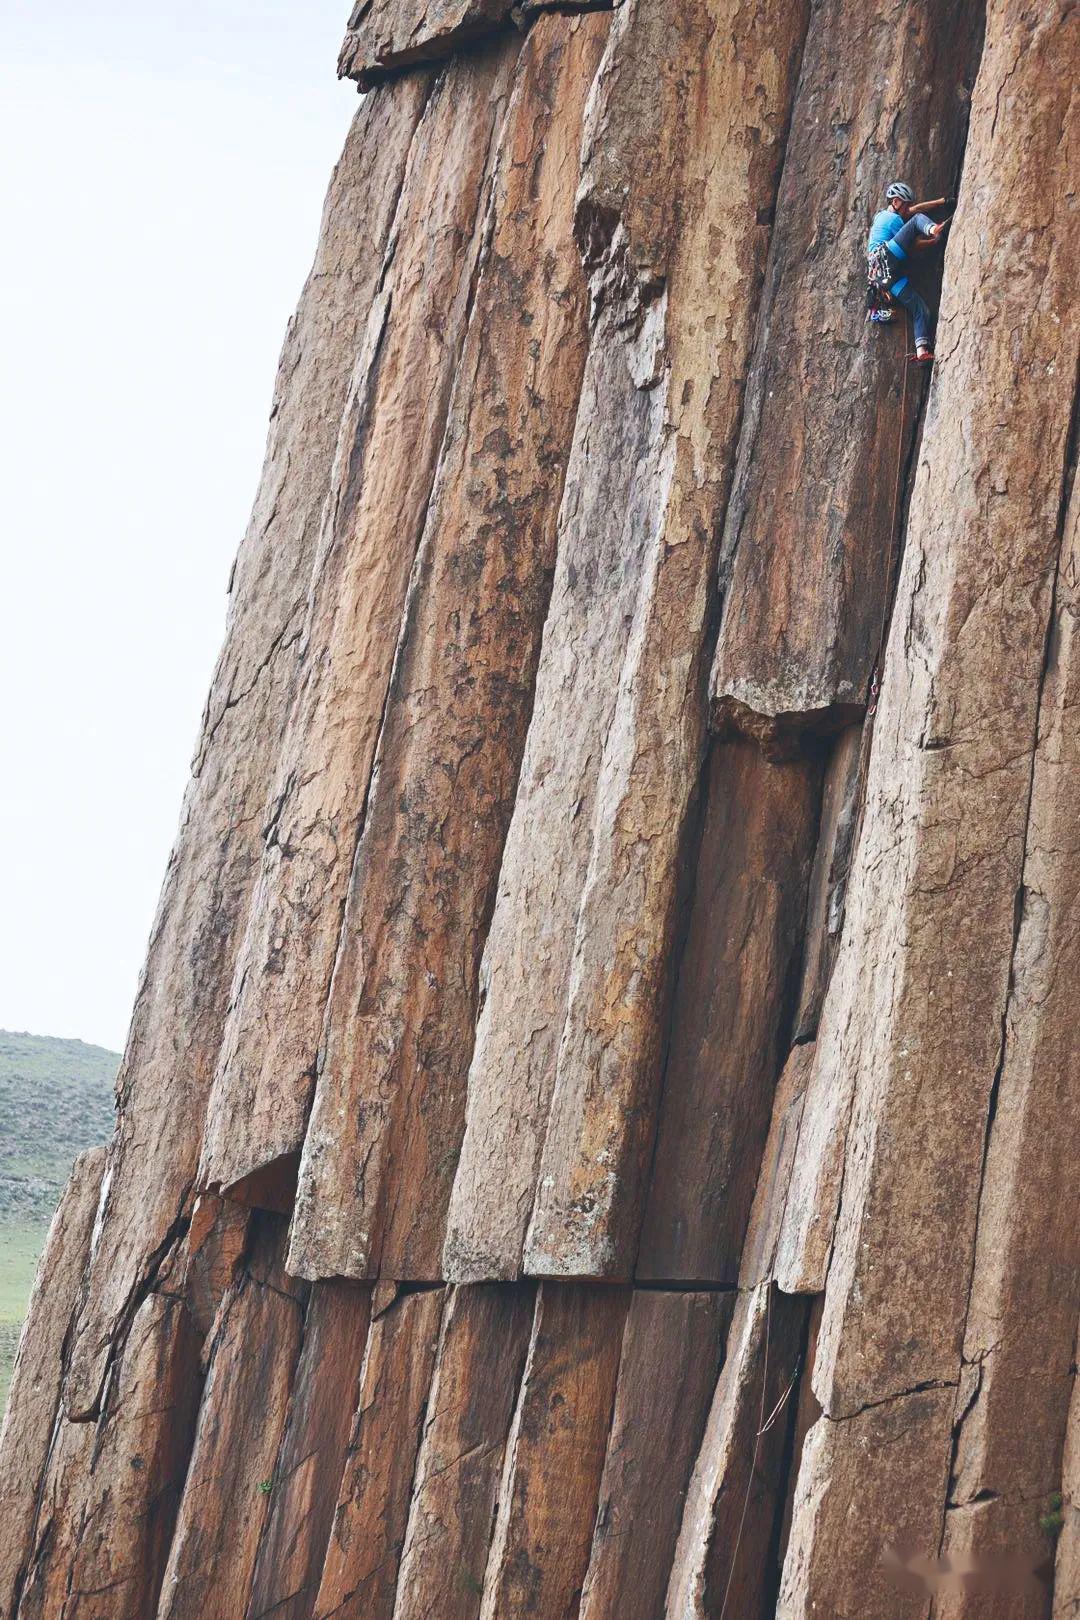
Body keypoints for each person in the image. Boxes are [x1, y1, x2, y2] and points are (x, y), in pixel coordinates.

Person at [867, 181, 947, 362]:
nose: (908, 209)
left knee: (920, 309)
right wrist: (934, 238)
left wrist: (941, 202)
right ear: (896, 202)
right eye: (906, 205)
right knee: (917, 220)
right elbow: (912, 245)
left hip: (884, 276)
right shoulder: (893, 219)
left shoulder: (882, 217)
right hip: (886, 257)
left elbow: (915, 209)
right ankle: (932, 228)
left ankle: (921, 352)